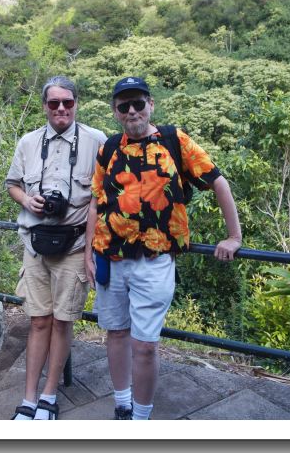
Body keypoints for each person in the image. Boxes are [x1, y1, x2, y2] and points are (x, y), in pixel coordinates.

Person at [85, 76, 242, 420]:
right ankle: (122, 404)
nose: (131, 111)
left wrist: (234, 236)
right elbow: (96, 203)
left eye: (138, 103)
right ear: (115, 111)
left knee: (144, 345)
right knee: (115, 333)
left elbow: (218, 181)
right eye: (123, 106)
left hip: (154, 262)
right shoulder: (109, 149)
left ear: (150, 105)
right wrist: (87, 255)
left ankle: (141, 418)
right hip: (110, 257)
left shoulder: (174, 141)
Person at [5, 76, 106, 420]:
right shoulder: (29, 143)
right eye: (53, 103)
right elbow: (12, 184)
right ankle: (29, 397)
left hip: (75, 246)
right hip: (35, 245)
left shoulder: (96, 142)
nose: (61, 108)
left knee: (63, 323)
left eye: (67, 102)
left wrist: (92, 251)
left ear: (77, 103)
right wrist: (27, 200)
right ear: (45, 106)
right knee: (37, 322)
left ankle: (50, 394)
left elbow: (100, 200)